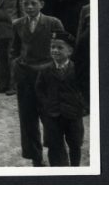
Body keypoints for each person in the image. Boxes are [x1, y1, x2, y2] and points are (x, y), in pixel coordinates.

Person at [11, 0, 64, 167]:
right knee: (28, 120)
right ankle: (36, 158)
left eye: (33, 3)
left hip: (48, 78)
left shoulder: (53, 23)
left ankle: (58, 159)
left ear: (41, 4)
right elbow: (14, 50)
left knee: (52, 119)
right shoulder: (17, 24)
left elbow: (63, 49)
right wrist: (17, 68)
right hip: (25, 79)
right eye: (26, 3)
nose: (30, 7)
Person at [35, 31, 88, 166]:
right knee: (54, 146)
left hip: (73, 115)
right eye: (52, 47)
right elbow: (39, 90)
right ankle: (57, 172)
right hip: (53, 115)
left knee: (75, 145)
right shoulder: (45, 70)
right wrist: (46, 106)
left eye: (60, 47)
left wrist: (82, 106)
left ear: (70, 51)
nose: (55, 50)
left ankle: (75, 170)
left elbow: (85, 88)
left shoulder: (77, 69)